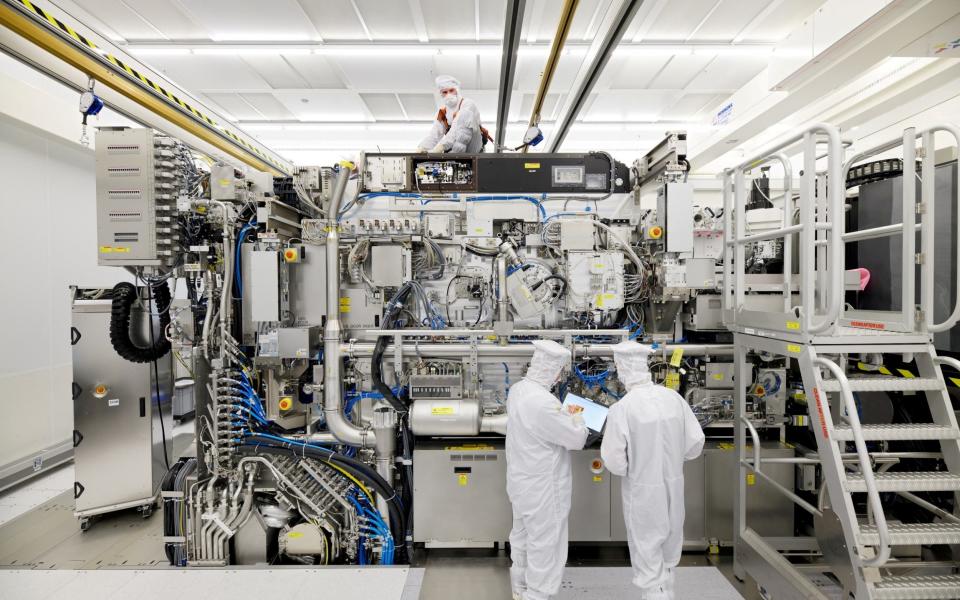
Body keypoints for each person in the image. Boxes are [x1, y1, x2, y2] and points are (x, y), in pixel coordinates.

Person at [601, 341, 705, 600]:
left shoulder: (622, 409)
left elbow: (614, 461)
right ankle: (667, 591)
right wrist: (668, 461)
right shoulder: (673, 398)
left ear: (622, 369)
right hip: (673, 484)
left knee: (647, 553)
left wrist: (636, 467)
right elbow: (695, 444)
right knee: (669, 550)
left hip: (643, 491)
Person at [506, 339, 589, 600]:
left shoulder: (519, 390)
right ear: (553, 371)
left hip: (521, 483)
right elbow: (576, 439)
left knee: (522, 538)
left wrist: (562, 414)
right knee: (546, 545)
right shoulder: (543, 402)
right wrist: (577, 417)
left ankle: (519, 590)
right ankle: (537, 596)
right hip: (544, 488)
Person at [417, 75, 491, 153]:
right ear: (441, 94)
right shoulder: (442, 112)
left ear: (457, 90)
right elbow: (435, 134)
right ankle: (454, 155)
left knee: (464, 115)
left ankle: (456, 153)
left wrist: (441, 146)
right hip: (454, 145)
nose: (448, 94)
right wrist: (422, 147)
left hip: (474, 145)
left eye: (451, 90)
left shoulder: (467, 104)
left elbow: (456, 128)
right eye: (445, 92)